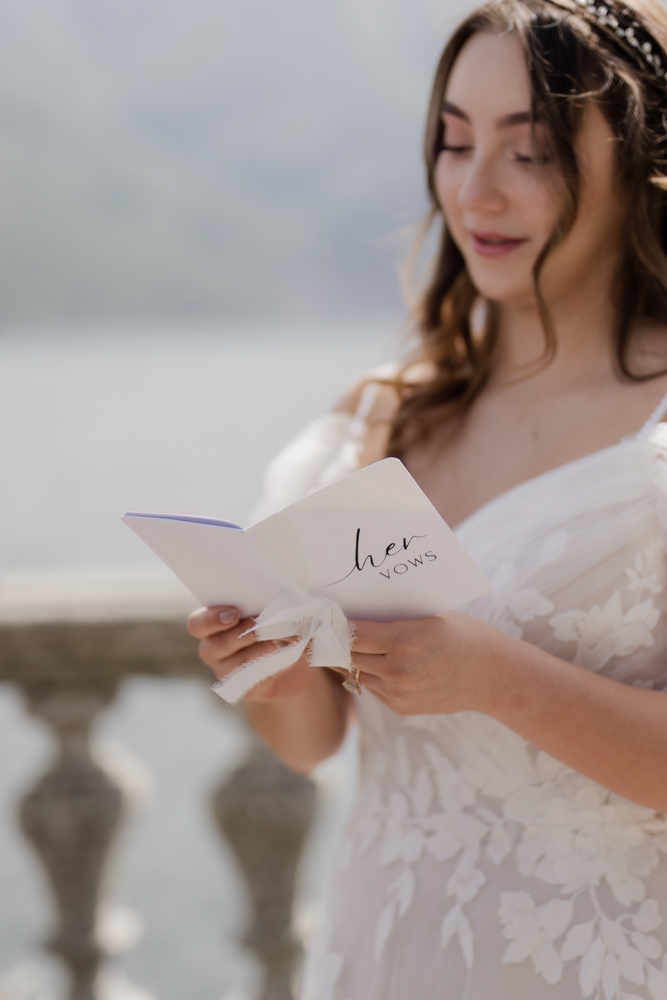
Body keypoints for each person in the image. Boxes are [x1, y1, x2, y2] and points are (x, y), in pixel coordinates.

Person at [188, 0, 667, 995]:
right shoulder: (390, 415)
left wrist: (502, 678)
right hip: (383, 950)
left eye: (527, 152)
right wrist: (272, 676)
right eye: (453, 143)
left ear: (636, 161)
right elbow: (313, 739)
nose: (474, 191)